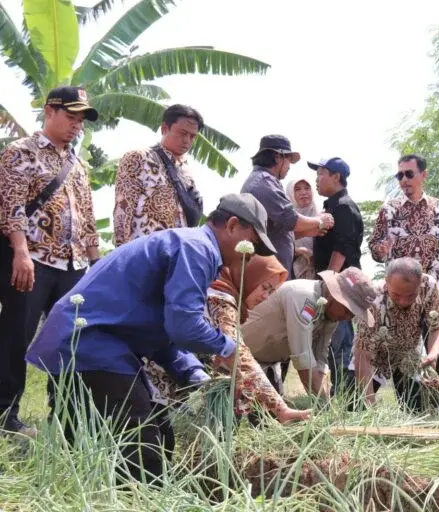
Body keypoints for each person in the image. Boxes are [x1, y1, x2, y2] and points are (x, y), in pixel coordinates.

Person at [25, 193, 278, 482]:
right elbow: (185, 325)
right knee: (143, 457)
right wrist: (227, 348)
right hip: (89, 343)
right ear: (233, 225)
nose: (252, 252)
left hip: (84, 342)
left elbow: (164, 332)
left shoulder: (189, 244)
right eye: (254, 242)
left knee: (117, 444)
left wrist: (196, 375)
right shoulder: (199, 249)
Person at [0, 86, 100, 436]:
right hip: (32, 261)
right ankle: (5, 415)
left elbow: (87, 218)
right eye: (70, 116)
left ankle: (66, 415)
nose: (76, 125)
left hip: (72, 267)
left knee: (71, 341)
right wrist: (20, 252)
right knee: (16, 335)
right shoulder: (21, 152)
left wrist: (96, 265)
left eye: (81, 120)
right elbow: (11, 205)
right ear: (49, 111)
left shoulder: (78, 164)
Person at [143, 254, 311, 424]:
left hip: (171, 370)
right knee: (153, 438)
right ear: (249, 276)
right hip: (156, 373)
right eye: (264, 287)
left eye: (271, 292)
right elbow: (239, 356)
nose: (265, 296)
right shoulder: (221, 301)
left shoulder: (222, 293)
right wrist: (281, 408)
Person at [368, 153, 439, 396]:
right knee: (401, 350)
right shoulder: (389, 210)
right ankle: (408, 405)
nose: (403, 180)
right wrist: (380, 249)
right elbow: (374, 244)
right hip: (401, 295)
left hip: (433, 291)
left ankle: (438, 405)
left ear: (423, 175)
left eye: (409, 174)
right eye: (399, 175)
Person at [240, 267, 376, 401]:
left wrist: (324, 398)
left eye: (352, 315)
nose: (347, 318)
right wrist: (324, 406)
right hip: (235, 359)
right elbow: (303, 360)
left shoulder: (331, 317)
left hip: (266, 366)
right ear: (334, 294)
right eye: (347, 310)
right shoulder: (303, 297)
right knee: (229, 415)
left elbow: (320, 358)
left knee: (268, 417)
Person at [353, 258, 439, 412]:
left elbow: (436, 327)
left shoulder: (428, 285)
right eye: (396, 296)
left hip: (409, 356)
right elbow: (363, 355)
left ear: (420, 282)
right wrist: (370, 409)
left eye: (410, 296)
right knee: (356, 408)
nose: (403, 302)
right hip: (375, 356)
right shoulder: (373, 299)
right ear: (386, 282)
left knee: (421, 409)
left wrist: (434, 354)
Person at [309, 157, 364, 396]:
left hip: (340, 288)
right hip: (334, 284)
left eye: (321, 173)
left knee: (340, 343)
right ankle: (341, 396)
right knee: (333, 342)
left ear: (336, 177)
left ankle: (345, 398)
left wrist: (329, 283)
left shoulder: (343, 206)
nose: (316, 179)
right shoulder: (331, 206)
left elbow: (342, 248)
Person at [241, 135, 334, 275]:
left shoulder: (265, 181)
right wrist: (320, 220)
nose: (289, 166)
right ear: (278, 157)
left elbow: (274, 230)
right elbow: (290, 219)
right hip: (266, 274)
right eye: (288, 160)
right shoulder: (264, 183)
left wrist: (306, 231)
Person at [113, 104, 205, 246]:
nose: (187, 140)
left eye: (192, 136)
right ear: (164, 128)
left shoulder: (186, 171)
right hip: (144, 253)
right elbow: (123, 212)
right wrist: (123, 256)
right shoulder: (139, 158)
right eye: (182, 133)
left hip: (176, 254)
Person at [285, 173, 319, 280]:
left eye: (307, 188)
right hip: (291, 276)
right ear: (290, 194)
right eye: (298, 189)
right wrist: (297, 251)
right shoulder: (285, 219)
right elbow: (277, 246)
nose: (303, 192)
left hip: (320, 273)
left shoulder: (322, 216)